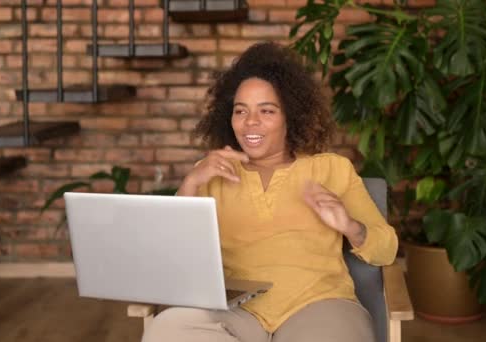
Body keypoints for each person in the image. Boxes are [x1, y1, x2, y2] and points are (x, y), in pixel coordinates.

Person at [142, 42, 398, 342]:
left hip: (319, 305)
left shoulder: (332, 169)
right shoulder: (209, 173)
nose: (251, 122)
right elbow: (171, 256)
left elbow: (387, 249)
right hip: (234, 310)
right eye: (241, 111)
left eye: (267, 110)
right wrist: (190, 183)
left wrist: (350, 227)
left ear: (290, 116)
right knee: (166, 330)